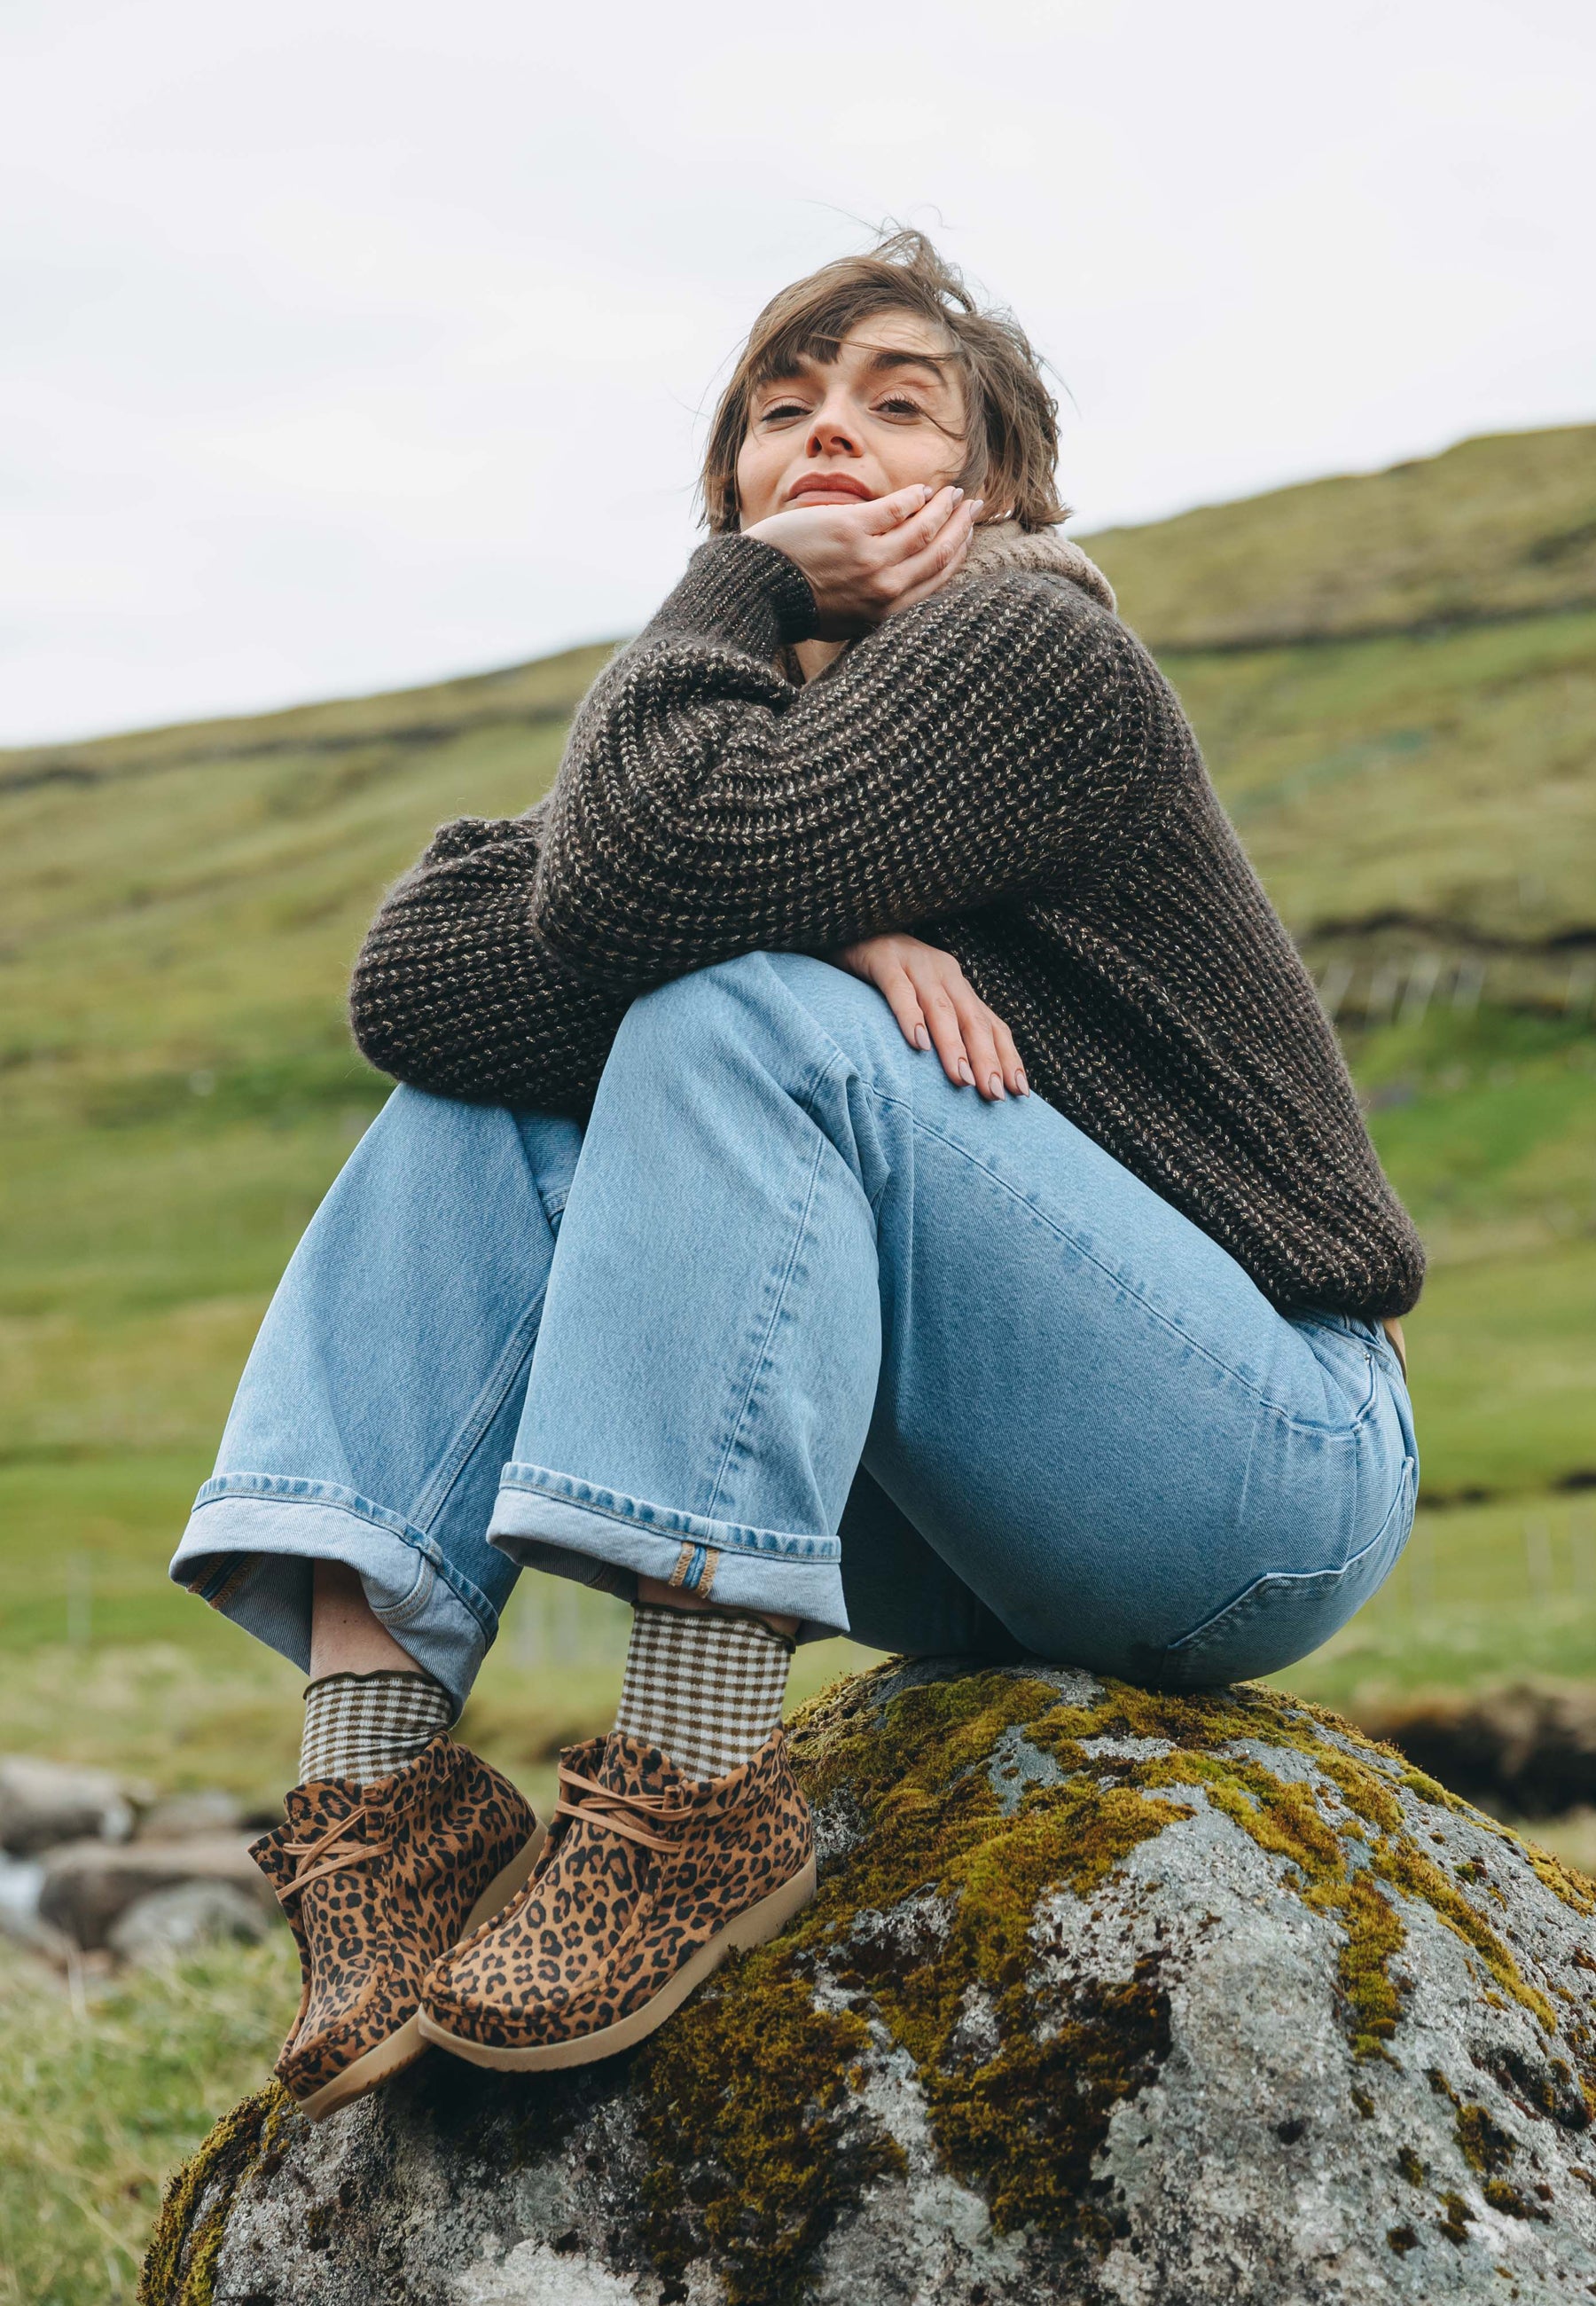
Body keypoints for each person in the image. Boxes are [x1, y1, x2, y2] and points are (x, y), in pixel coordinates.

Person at [168, 229, 1422, 2120]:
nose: (827, 430)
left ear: (982, 490)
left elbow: (641, 889)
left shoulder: (1031, 643)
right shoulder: (744, 729)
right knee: (489, 1098)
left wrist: (760, 900)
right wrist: (824, 915)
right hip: (968, 1509)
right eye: (781, 411)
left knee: (724, 1004)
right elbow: (417, 973)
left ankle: (690, 1785)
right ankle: (380, 1794)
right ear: (736, 501)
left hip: (1261, 1461)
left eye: (894, 403)